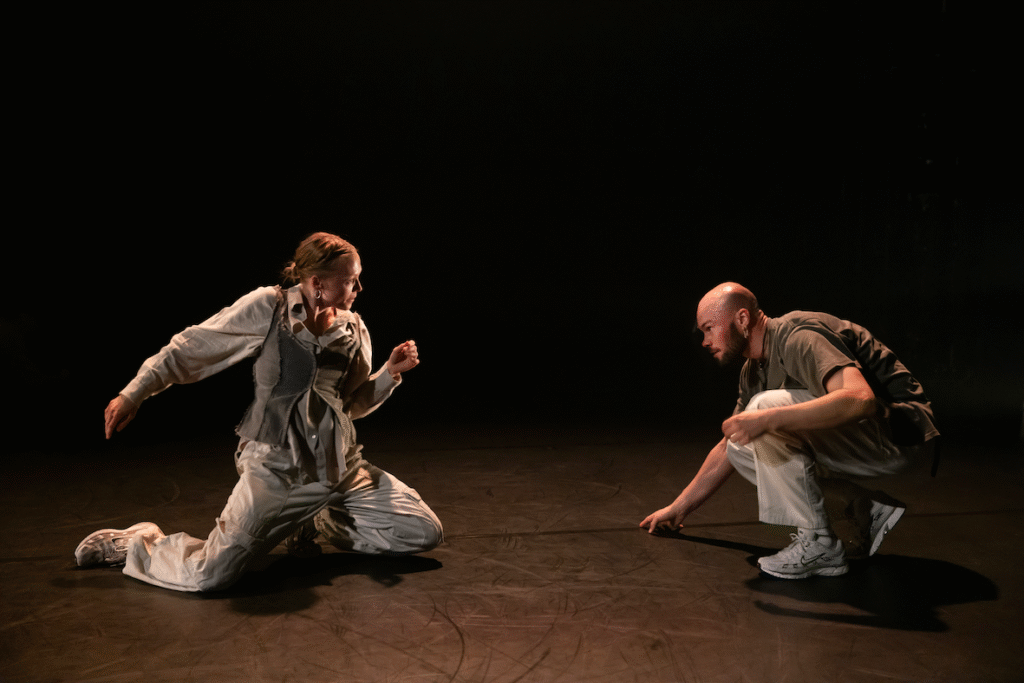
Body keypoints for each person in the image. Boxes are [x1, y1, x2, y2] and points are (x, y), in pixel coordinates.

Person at [75, 232, 443, 592]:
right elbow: (191, 347)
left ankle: (314, 517)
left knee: (423, 530)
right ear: (317, 283)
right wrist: (134, 393)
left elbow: (349, 406)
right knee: (210, 574)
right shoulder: (270, 307)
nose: (358, 289)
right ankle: (140, 544)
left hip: (338, 468)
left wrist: (390, 374)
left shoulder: (353, 328)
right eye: (350, 281)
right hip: (277, 469)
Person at [640, 283, 938, 579]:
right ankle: (861, 507)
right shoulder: (753, 371)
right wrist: (679, 508)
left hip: (903, 432)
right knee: (740, 447)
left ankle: (820, 545)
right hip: (866, 438)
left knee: (763, 411)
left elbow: (859, 399)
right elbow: (728, 446)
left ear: (742, 319)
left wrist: (768, 419)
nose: (705, 341)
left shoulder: (798, 336)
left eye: (709, 328)